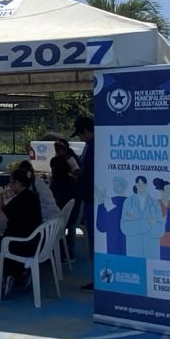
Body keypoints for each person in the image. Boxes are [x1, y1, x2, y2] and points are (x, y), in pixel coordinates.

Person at [0, 167, 43, 299]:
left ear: (17, 183)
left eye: (11, 183)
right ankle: (21, 272)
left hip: (20, 243)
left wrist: (0, 201)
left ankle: (6, 275)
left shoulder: (19, 200)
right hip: (34, 241)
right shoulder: (32, 196)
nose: (10, 186)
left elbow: (1, 217)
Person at [74, 116, 96, 289]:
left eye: (81, 134)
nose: (80, 138)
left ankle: (100, 278)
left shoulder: (96, 147)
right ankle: (97, 276)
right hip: (88, 198)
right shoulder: (89, 146)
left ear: (88, 131)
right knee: (92, 240)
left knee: (97, 241)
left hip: (94, 199)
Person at [121, 175, 163, 259]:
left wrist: (136, 226)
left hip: (151, 249)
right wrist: (147, 224)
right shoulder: (128, 202)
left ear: (146, 185)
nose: (141, 186)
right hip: (134, 248)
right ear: (136, 185)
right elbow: (125, 227)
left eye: (143, 184)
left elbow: (160, 230)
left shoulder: (155, 203)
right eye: (139, 184)